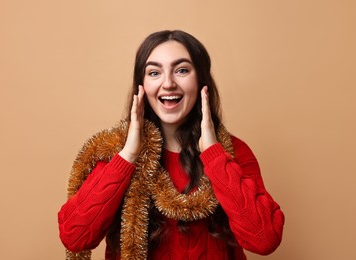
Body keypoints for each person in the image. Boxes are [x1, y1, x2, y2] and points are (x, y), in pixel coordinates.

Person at [58, 30, 285, 260]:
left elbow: (264, 239)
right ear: (141, 86)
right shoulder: (116, 153)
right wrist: (128, 155)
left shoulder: (233, 152)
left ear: (201, 81)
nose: (168, 83)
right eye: (154, 72)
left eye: (182, 70)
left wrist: (214, 155)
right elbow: (74, 237)